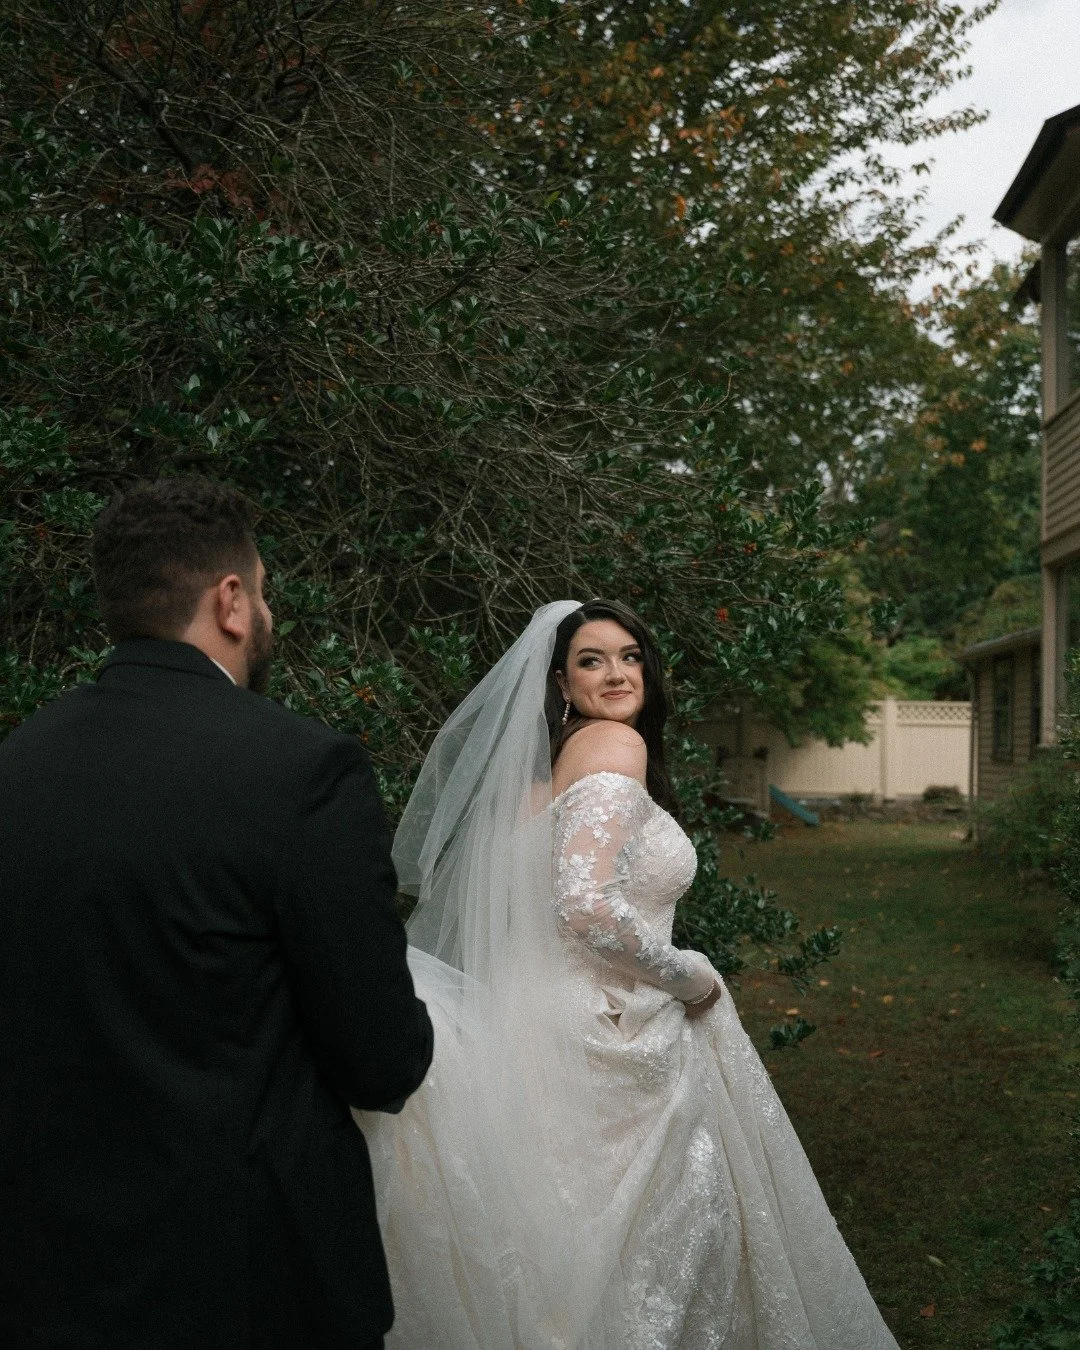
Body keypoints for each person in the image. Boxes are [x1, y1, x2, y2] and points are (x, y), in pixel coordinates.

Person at [358, 598, 899, 1348]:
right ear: (560, 683)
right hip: (606, 1032)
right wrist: (693, 978)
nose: (616, 673)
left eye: (629, 656)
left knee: (557, 1247)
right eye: (591, 660)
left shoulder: (536, 777)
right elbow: (586, 909)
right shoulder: (616, 746)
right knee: (643, 1254)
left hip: (527, 1015)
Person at [0, 477, 433, 1350]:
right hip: (245, 1285)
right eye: (264, 591)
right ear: (231, 601)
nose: (266, 612)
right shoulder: (303, 771)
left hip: (45, 1277)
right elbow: (382, 1060)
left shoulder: (18, 763)